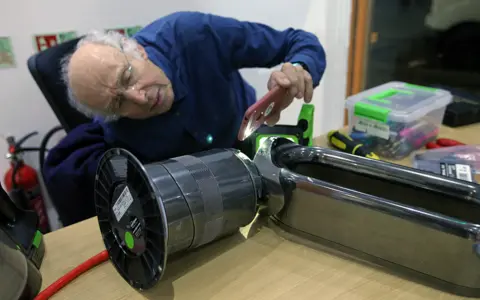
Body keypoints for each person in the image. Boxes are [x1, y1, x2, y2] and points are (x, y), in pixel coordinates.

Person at [44, 11, 326, 226]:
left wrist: (298, 71)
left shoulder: (193, 34)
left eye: (128, 76)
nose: (140, 98)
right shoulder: (114, 128)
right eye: (119, 102)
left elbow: (298, 41)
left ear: (137, 50)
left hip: (247, 147)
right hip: (199, 203)